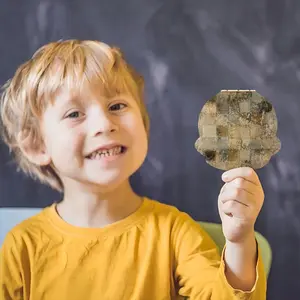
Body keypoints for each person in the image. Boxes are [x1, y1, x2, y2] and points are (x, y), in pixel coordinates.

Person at [0, 39, 266, 300]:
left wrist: (240, 241)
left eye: (117, 106)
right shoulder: (22, 246)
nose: (104, 124)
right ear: (36, 145)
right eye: (74, 114)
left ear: (143, 124)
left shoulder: (174, 232)